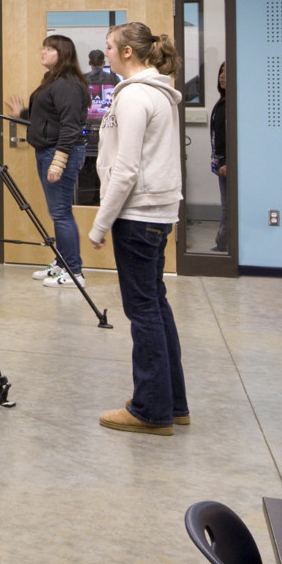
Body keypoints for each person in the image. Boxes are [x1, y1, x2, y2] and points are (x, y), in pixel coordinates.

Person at [87, 22, 187, 436]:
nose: (105, 53)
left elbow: (125, 170)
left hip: (137, 215)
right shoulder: (159, 94)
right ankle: (172, 403)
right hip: (157, 213)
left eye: (110, 47)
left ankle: (150, 410)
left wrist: (100, 222)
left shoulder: (133, 98)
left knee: (143, 311)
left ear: (128, 52)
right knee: (156, 307)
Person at [5, 35, 91, 288]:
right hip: (47, 151)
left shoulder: (66, 84)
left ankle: (74, 272)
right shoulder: (51, 80)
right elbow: (48, 119)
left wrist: (58, 161)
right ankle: (62, 262)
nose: (43, 52)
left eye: (50, 48)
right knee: (58, 213)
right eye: (43, 47)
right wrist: (22, 114)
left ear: (62, 54)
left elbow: (70, 125)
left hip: (59, 152)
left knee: (61, 213)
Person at [211, 61, 228, 253]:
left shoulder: (232, 104)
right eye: (221, 72)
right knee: (226, 205)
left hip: (227, 162)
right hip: (220, 160)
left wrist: (229, 162)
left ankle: (223, 246)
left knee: (227, 207)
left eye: (226, 72)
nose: (222, 76)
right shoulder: (222, 101)